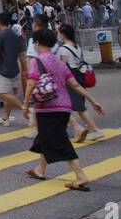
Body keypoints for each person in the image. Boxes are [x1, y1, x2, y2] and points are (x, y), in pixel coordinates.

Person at [21, 27, 101, 189]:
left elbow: (31, 83)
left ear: (37, 43)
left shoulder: (36, 61)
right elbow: (75, 85)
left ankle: (80, 176)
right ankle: (40, 170)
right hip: (65, 107)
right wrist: (92, 100)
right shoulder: (60, 62)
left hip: (47, 108)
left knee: (59, 141)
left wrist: (24, 104)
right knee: (46, 137)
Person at [54, 24, 103, 142]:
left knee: (77, 107)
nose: (58, 35)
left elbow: (62, 66)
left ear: (63, 34)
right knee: (75, 106)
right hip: (80, 76)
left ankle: (95, 130)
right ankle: (78, 129)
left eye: (59, 33)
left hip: (70, 79)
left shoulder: (63, 49)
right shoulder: (76, 46)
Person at [0, 12, 27, 127]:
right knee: (8, 94)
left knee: (2, 93)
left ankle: (25, 108)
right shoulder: (15, 35)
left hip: (3, 69)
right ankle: (5, 118)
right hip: (14, 69)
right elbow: (21, 54)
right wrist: (26, 70)